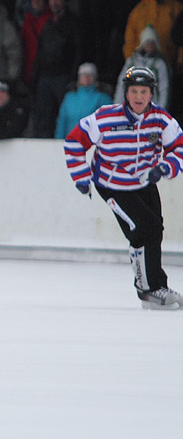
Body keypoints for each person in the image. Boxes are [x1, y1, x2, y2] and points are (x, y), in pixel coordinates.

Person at [64, 67, 183, 309]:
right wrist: (81, 177)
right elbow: (74, 141)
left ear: (152, 94)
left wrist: (164, 168)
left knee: (154, 230)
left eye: (144, 91)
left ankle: (156, 286)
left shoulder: (161, 119)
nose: (138, 97)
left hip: (144, 182)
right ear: (125, 94)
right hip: (111, 185)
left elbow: (179, 148)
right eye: (133, 91)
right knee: (143, 229)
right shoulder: (105, 117)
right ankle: (147, 290)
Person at [30, 0, 82, 138]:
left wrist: (73, 77)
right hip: (45, 77)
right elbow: (40, 52)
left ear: (64, 1)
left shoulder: (73, 23)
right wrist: (35, 76)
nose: (53, 2)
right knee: (43, 117)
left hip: (63, 77)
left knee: (64, 115)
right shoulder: (48, 23)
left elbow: (78, 51)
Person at [123, 0, 183, 65]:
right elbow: (130, 37)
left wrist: (180, 61)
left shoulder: (177, 8)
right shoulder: (140, 9)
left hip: (167, 63)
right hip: (141, 62)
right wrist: (130, 60)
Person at [115, 26, 170, 109]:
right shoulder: (131, 62)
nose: (149, 45)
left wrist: (160, 111)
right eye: (147, 42)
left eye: (152, 42)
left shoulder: (159, 64)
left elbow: (164, 89)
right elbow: (122, 84)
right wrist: (118, 107)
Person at [54, 63, 112, 139]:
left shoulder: (103, 98)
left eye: (90, 74)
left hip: (94, 144)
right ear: (79, 78)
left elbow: (109, 123)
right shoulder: (69, 97)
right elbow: (62, 122)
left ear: (95, 78)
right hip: (71, 143)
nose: (86, 77)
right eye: (83, 74)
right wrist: (58, 141)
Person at [19, 0, 51, 86]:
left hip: (45, 69)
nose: (35, 2)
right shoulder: (27, 19)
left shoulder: (51, 19)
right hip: (29, 66)